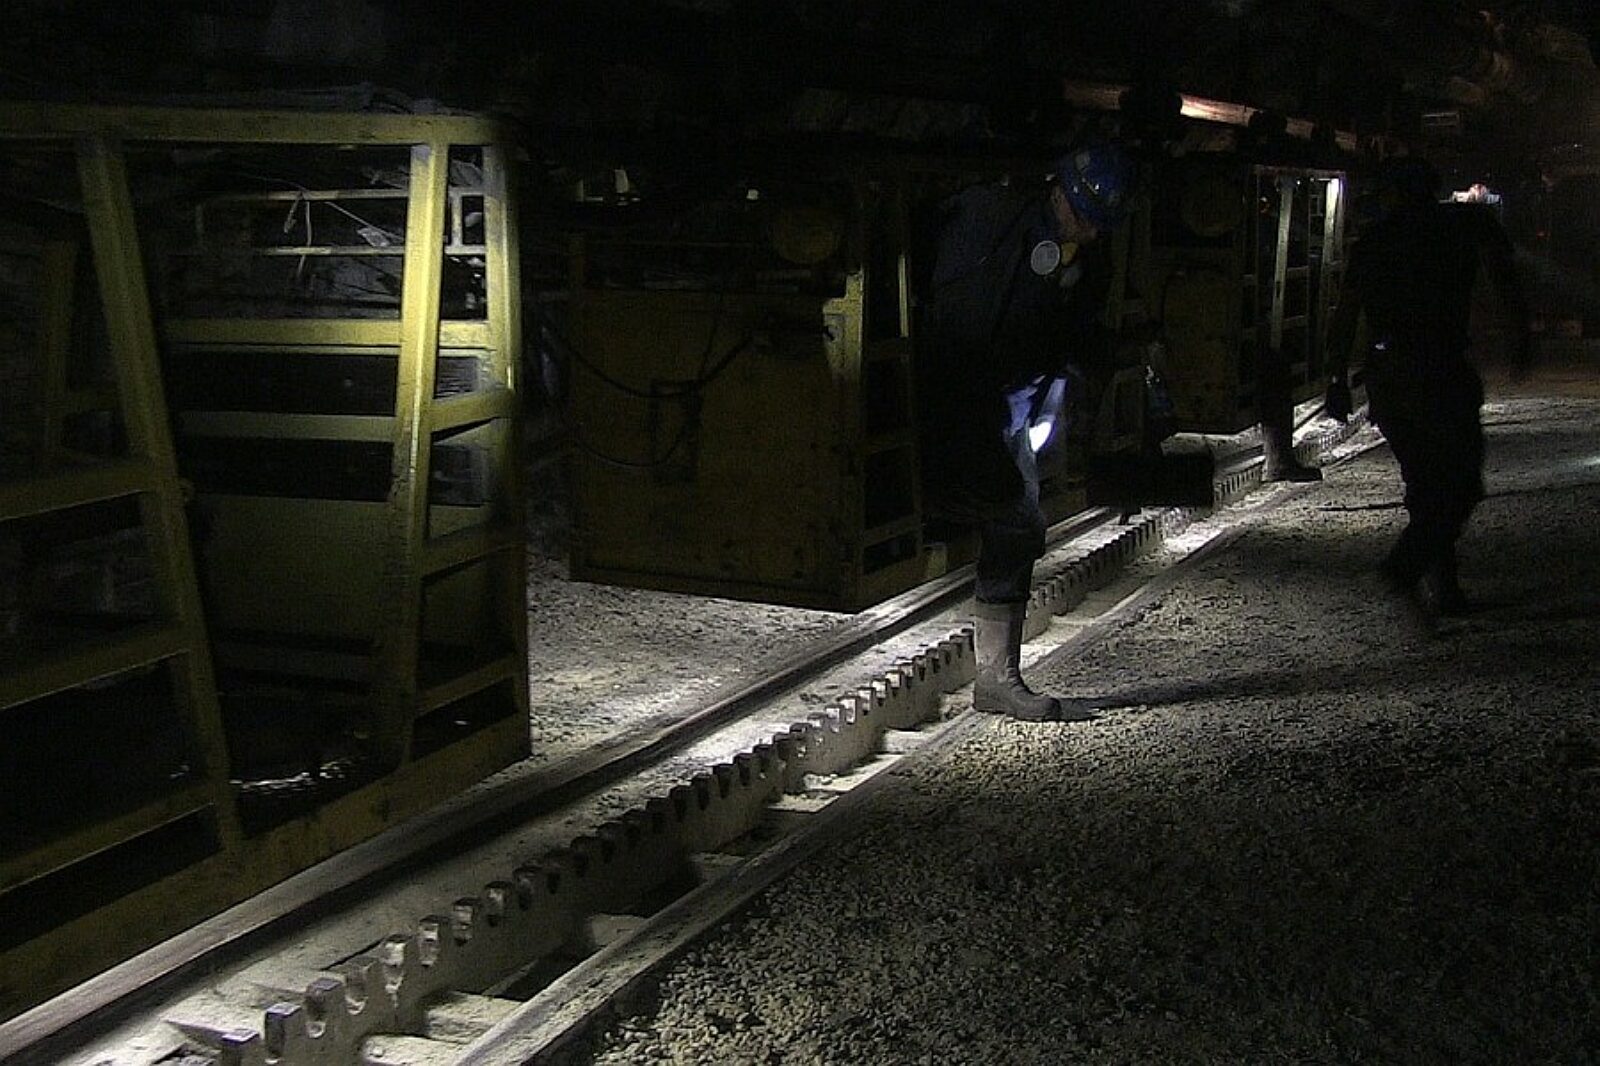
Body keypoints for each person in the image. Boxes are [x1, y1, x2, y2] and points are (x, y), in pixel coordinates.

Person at [917, 141, 1136, 720]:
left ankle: (998, 677)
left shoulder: (1081, 254)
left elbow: (1074, 329)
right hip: (968, 397)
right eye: (1084, 217)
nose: (1090, 232)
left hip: (1017, 401)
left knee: (1018, 520)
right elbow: (961, 325)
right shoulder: (993, 225)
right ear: (1059, 192)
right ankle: (996, 680)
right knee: (1015, 518)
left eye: (1099, 224)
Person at [1324, 155, 1532, 619]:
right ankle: (1410, 569)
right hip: (1440, 369)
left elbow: (1345, 314)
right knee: (1459, 482)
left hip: (1390, 374)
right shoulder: (1464, 226)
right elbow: (1506, 279)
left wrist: (1336, 377)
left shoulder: (1375, 241)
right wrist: (1520, 337)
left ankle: (1441, 583)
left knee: (1424, 480)